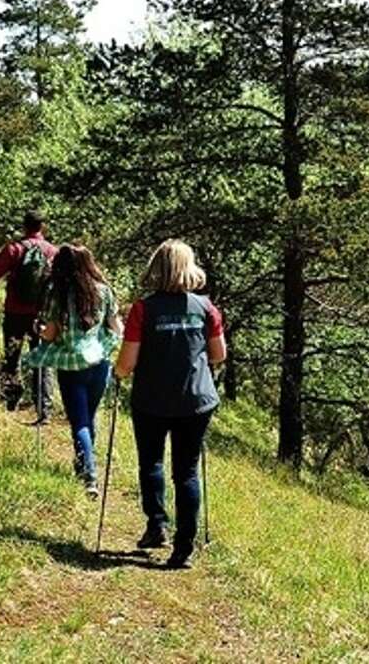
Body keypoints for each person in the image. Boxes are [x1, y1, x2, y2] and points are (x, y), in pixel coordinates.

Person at [114, 239, 225, 569]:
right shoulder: (206, 308)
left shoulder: (142, 309)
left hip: (151, 400)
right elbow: (219, 355)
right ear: (189, 267)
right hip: (196, 401)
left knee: (151, 463)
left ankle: (157, 525)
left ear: (156, 268)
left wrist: (117, 373)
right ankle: (184, 547)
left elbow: (126, 363)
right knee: (187, 472)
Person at [25, 245, 122, 496]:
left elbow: (51, 332)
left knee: (78, 420)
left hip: (70, 365)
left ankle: (89, 474)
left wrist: (38, 329)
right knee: (89, 416)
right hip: (99, 362)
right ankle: (83, 465)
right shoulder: (104, 291)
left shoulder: (58, 293)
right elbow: (115, 327)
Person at [0, 209, 58, 420]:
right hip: (42, 315)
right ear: (42, 227)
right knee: (42, 359)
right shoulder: (53, 252)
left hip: (15, 312)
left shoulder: (14, 249)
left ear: (24, 226)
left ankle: (10, 401)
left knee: (12, 356)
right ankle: (44, 408)